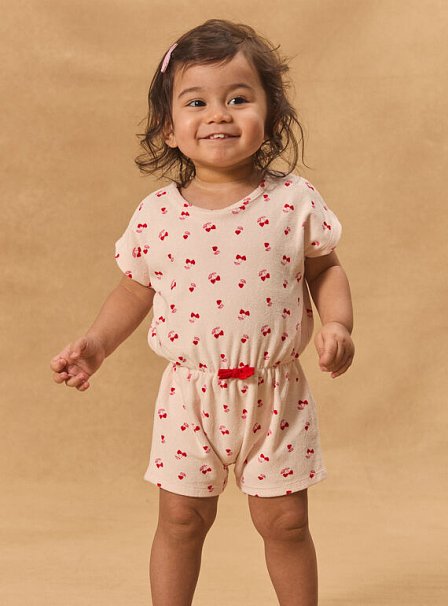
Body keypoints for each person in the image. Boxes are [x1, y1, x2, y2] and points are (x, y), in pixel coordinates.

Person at [50, 19, 354, 606]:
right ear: (168, 127)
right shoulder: (157, 214)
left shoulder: (293, 201)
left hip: (275, 392)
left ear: (271, 116)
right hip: (190, 394)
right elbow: (134, 290)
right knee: (181, 520)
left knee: (287, 523)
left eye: (238, 99)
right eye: (196, 102)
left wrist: (338, 324)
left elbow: (325, 269)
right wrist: (96, 344)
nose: (218, 115)